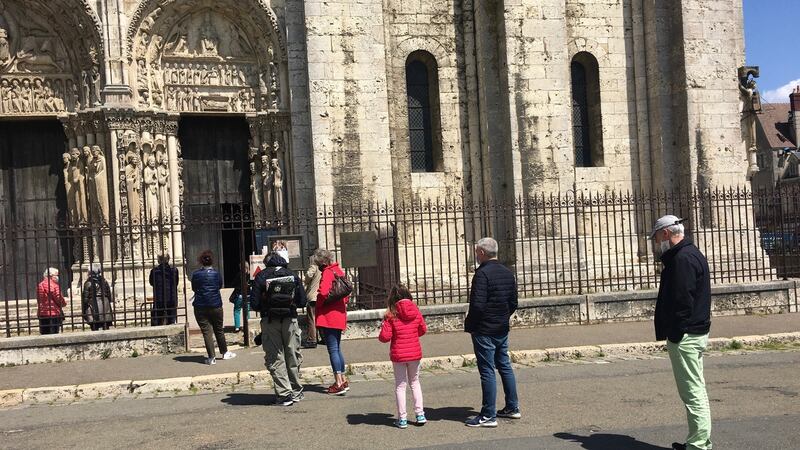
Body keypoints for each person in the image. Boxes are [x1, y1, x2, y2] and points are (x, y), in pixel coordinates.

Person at [651, 215, 712, 450]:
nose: (657, 242)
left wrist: (676, 334)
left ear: (666, 233)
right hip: (693, 332)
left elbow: (682, 301)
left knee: (692, 392)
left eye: (657, 236)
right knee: (695, 389)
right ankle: (697, 441)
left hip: (686, 335)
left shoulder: (683, 259)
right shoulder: (689, 254)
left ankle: (698, 445)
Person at [464, 237, 520, 427]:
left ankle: (488, 414)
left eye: (477, 251)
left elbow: (477, 306)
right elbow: (513, 303)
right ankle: (512, 407)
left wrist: (470, 324)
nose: (476, 254)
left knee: (487, 370)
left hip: (485, 329)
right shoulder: (507, 272)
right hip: (501, 327)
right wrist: (502, 317)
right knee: (504, 365)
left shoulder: (482, 275)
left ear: (482, 253)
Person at [249, 251, 308, 406]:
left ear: (267, 263)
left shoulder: (261, 276)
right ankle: (296, 391)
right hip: (290, 320)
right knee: (292, 355)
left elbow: (254, 304)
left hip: (270, 321)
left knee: (276, 356)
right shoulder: (292, 274)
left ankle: (284, 394)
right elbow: (302, 301)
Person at [378, 284, 428, 429]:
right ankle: (420, 414)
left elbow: (384, 337)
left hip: (398, 354)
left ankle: (402, 418)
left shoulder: (391, 314)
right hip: (414, 352)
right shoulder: (416, 311)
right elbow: (423, 329)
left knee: (400, 386)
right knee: (415, 382)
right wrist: (412, 335)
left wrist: (384, 325)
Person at [314, 248, 350, 395]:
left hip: (329, 315)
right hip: (340, 313)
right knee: (337, 348)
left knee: (333, 350)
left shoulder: (327, 273)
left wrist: (319, 304)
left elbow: (323, 292)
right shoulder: (338, 270)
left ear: (322, 262)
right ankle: (343, 378)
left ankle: (338, 382)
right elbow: (346, 293)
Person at [191, 250, 236, 365]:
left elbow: (194, 288)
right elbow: (219, 285)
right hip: (215, 304)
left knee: (207, 332)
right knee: (219, 329)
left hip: (200, 306)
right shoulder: (216, 274)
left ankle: (211, 357)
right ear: (212, 261)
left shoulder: (196, 275)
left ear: (201, 261)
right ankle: (224, 352)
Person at [81, 263, 114, 331]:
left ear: (90, 272)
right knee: (105, 326)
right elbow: (109, 294)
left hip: (93, 304)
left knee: (94, 326)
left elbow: (85, 298)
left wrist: (84, 308)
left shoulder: (88, 283)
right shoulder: (104, 281)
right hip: (105, 303)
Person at [149, 254, 179, 326]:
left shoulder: (154, 271)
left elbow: (151, 282)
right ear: (168, 259)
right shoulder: (174, 270)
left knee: (157, 321)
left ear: (158, 260)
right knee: (171, 320)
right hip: (171, 298)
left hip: (159, 299)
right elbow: (176, 282)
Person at [36, 268, 67, 335]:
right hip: (54, 312)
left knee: (44, 334)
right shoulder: (54, 286)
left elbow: (39, 299)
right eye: (56, 275)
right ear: (50, 276)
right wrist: (64, 303)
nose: (57, 277)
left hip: (42, 312)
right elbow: (59, 298)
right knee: (54, 334)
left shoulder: (40, 285)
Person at [302, 255, 322, 348]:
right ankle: (324, 337)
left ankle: (312, 339)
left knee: (312, 318)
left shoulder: (314, 266)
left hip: (313, 296)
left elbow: (308, 277)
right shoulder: (323, 268)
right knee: (320, 317)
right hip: (321, 296)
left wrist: (305, 279)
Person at [229, 261, 251, 332]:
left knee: (237, 310)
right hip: (248, 295)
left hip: (239, 295)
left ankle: (237, 327)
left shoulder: (239, 275)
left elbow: (233, 284)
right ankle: (248, 326)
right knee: (247, 311)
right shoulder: (250, 275)